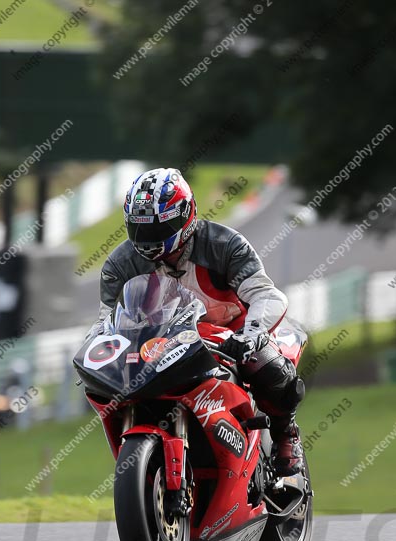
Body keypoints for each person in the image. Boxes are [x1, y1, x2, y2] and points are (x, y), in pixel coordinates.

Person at [89, 167, 305, 475]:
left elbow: (267, 296)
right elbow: (105, 322)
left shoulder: (225, 245)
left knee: (267, 364)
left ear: (185, 214)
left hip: (231, 336)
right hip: (161, 345)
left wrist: (251, 334)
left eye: (159, 227)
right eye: (141, 228)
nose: (149, 239)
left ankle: (286, 432)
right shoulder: (120, 264)